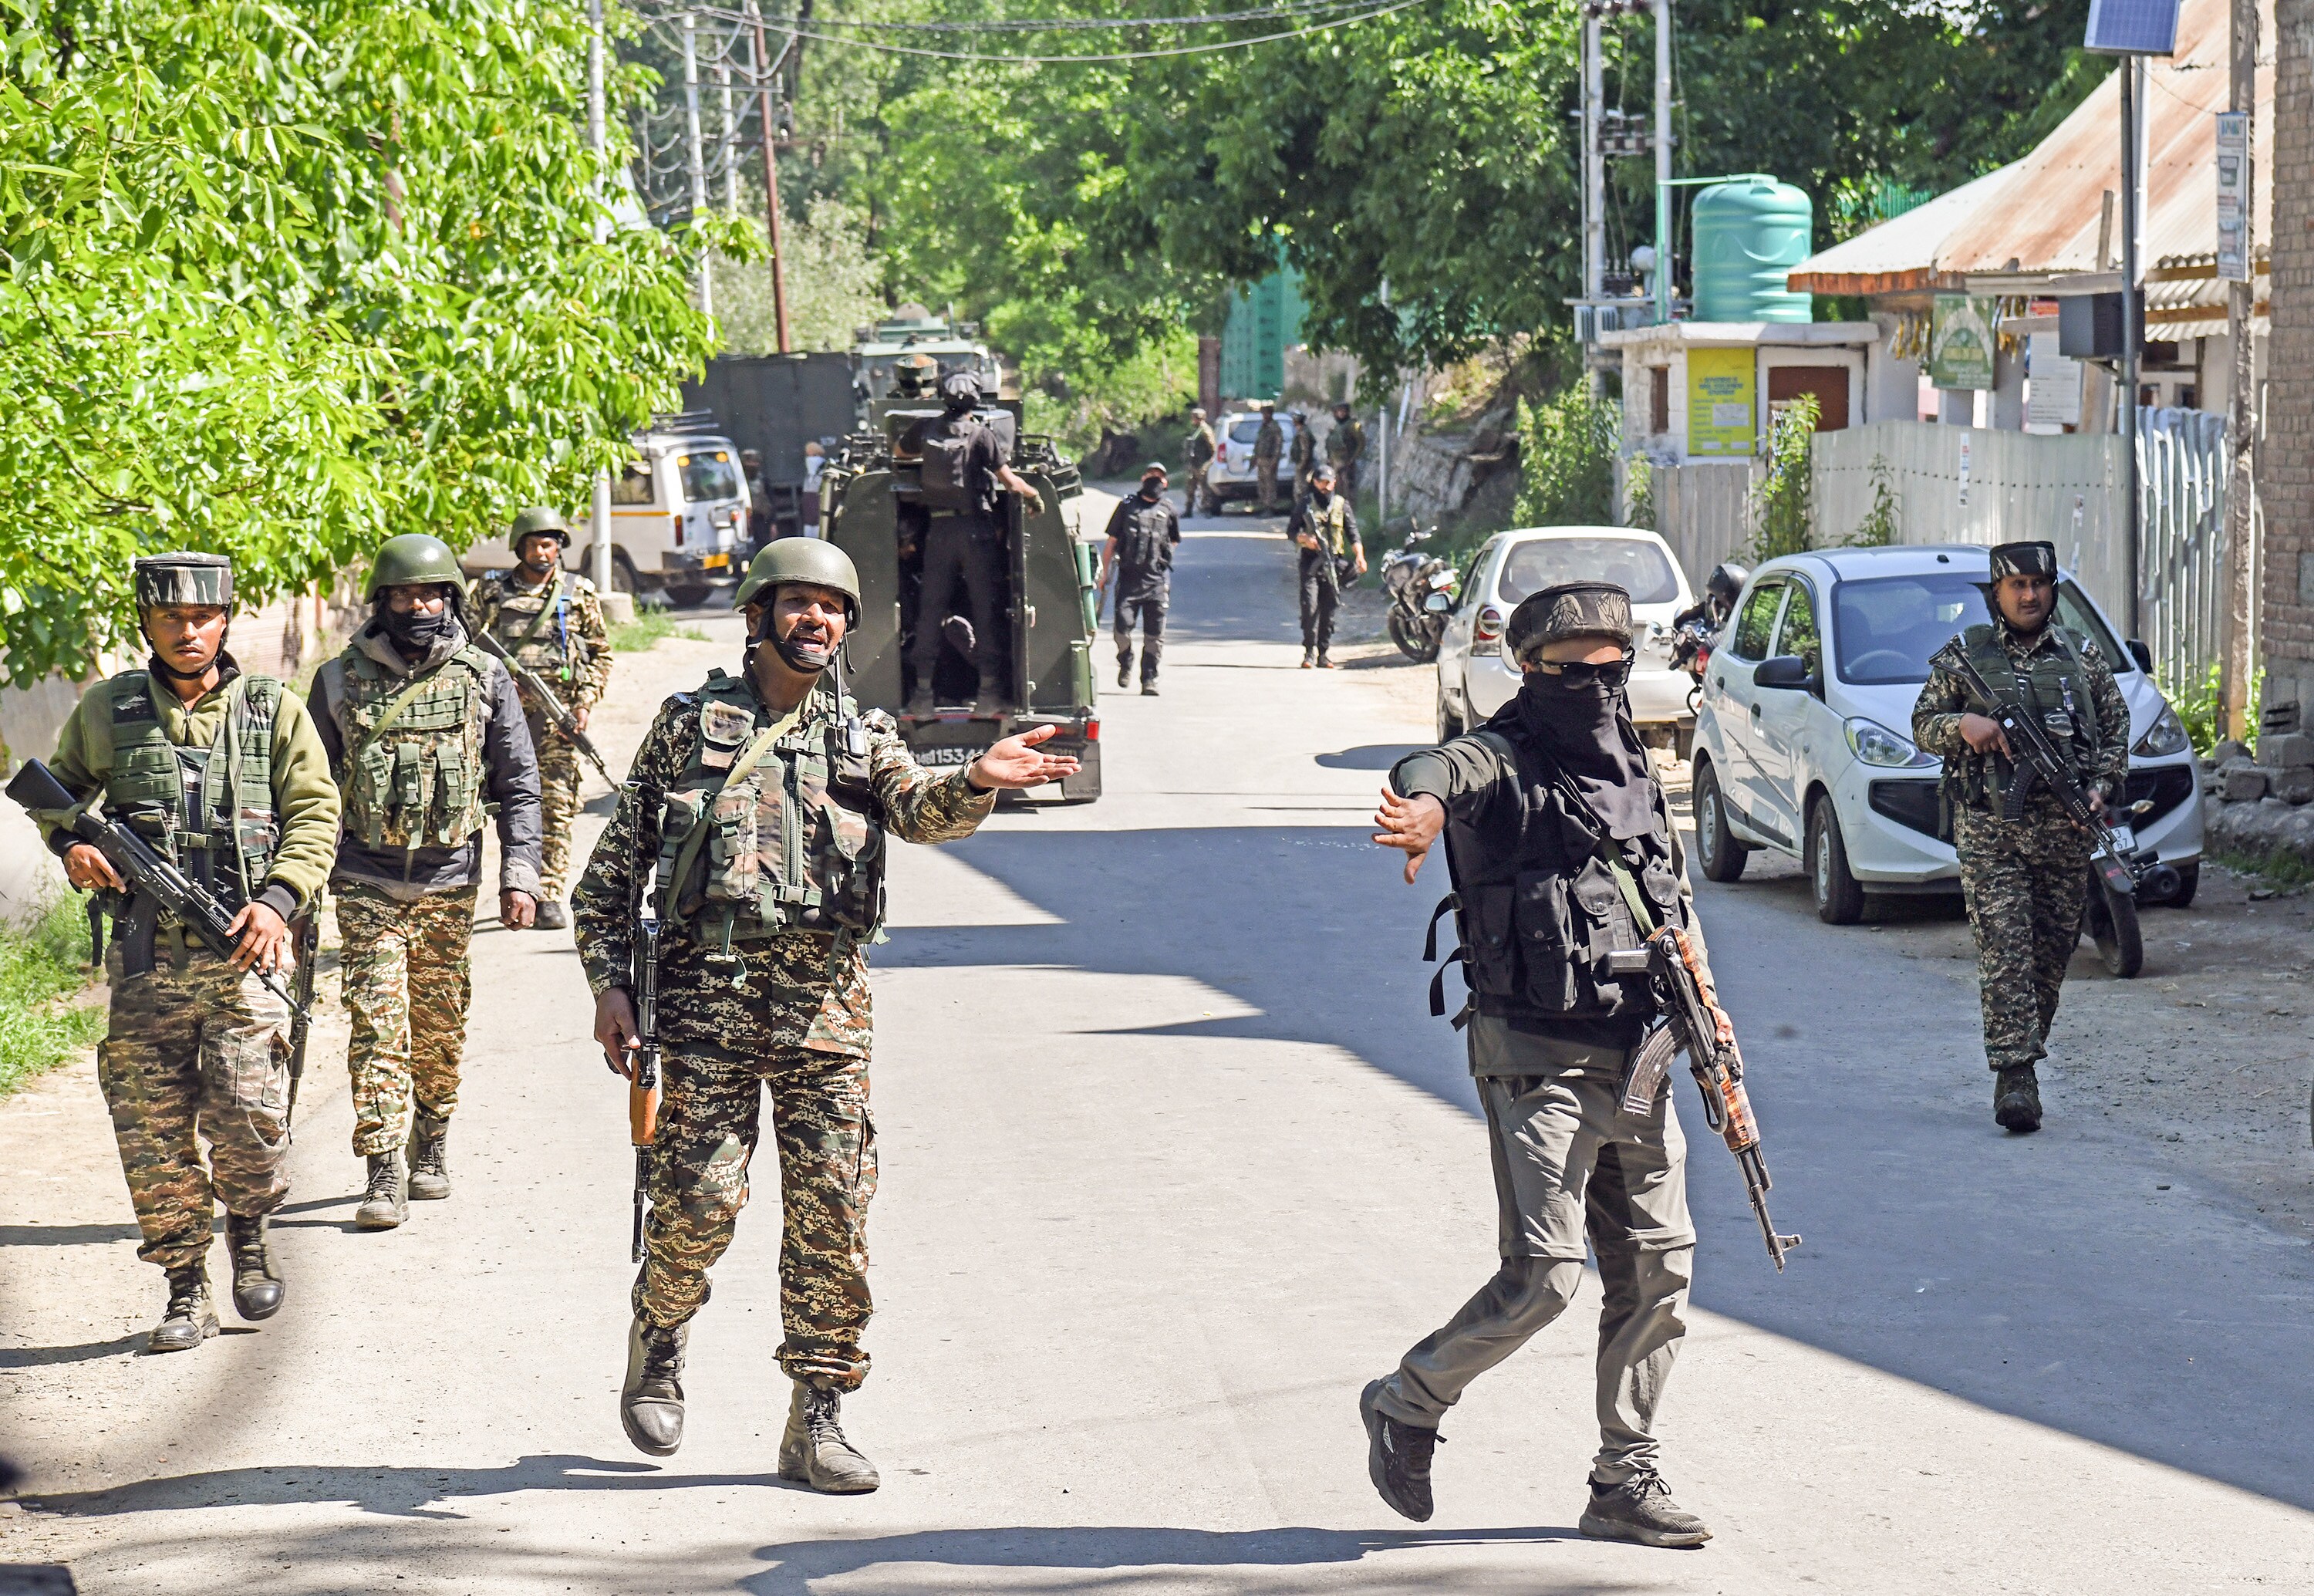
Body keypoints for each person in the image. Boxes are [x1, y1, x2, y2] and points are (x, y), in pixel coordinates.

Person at [573, 538, 1080, 1490]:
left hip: (826, 1022)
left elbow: (919, 809)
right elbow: (609, 881)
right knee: (697, 1207)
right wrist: (610, 985)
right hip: (705, 1017)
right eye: (798, 602)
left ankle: (818, 1415)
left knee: (832, 1220)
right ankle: (661, 1333)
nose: (817, 619)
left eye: (833, 607)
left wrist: (977, 780)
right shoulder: (688, 729)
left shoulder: (863, 735)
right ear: (758, 615)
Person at [1360, 580, 1718, 1550]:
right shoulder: (1502, 757)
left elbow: (1672, 902)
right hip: (1537, 1057)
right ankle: (1408, 1398)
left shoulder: (1634, 764)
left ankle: (1623, 1477)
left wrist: (1708, 1013)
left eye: (1614, 666)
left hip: (1641, 1055)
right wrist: (1423, 805)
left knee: (1658, 1267)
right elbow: (1440, 765)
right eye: (1572, 670)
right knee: (1546, 1275)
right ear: (1528, 668)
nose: (1596, 684)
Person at [32, 555, 342, 1351]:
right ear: (146, 621)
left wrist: (279, 901)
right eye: (171, 617)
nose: (188, 631)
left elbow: (316, 813)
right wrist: (72, 846)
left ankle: (249, 1230)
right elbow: (55, 792)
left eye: (203, 616)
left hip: (244, 953)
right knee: (150, 1129)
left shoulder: (272, 708)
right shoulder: (109, 708)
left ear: (226, 619)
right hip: (146, 964)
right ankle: (185, 1284)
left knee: (250, 1117)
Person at [309, 534, 544, 1228]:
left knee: (439, 1026)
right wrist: (294, 886)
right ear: (381, 602)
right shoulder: (336, 680)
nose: (418, 607)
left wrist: (521, 875)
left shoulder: (485, 677)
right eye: (405, 595)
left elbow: (519, 783)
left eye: (432, 595)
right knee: (377, 1023)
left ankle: (432, 1139)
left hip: (450, 880)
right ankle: (383, 1168)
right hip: (365, 878)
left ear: (452, 600)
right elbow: (307, 790)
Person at [1911, 539, 2128, 1132]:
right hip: (1991, 831)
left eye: (2039, 584)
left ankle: (2024, 1055)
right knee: (2006, 950)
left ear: (2052, 589)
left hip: (2064, 836)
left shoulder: (2082, 655)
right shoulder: (1968, 654)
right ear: (1998, 592)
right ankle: (2016, 1078)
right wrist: (1964, 724)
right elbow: (1922, 724)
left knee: (2049, 959)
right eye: (2017, 585)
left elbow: (2115, 730)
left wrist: (2101, 787)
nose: (2029, 595)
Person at [471, 508, 612, 930]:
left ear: (559, 547)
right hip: (497, 722)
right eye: (533, 544)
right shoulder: (491, 591)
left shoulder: (578, 593)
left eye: (548, 544)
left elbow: (600, 654)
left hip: (557, 722)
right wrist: (499, 686)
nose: (541, 552)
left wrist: (584, 704)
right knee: (482, 804)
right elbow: (466, 648)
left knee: (556, 806)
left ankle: (547, 893)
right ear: (519, 548)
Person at [898, 371, 1045, 715]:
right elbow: (1010, 482)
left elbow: (899, 452)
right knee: (985, 610)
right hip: (976, 532)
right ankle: (988, 693)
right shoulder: (982, 435)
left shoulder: (925, 429)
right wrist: (1034, 497)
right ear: (975, 401)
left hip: (939, 532)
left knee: (930, 611)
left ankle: (923, 695)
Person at [1097, 464, 1182, 696]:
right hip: (1128, 581)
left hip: (1156, 582)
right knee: (1121, 631)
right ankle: (1126, 660)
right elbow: (1112, 542)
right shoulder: (1127, 506)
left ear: (1165, 483)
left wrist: (1163, 555)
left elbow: (1174, 539)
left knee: (1155, 636)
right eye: (1151, 476)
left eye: (1159, 477)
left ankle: (1149, 679)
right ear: (1143, 478)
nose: (1155, 480)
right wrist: (1104, 573)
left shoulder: (1168, 509)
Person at [1287, 463, 1364, 668]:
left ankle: (1323, 653)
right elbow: (1291, 531)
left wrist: (1360, 556)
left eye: (1328, 482)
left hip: (1334, 563)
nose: (1325, 486)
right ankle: (1309, 653)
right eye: (1321, 482)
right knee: (1309, 607)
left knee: (1329, 609)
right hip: (1310, 563)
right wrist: (1305, 539)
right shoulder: (1305, 504)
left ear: (1334, 483)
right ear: (1314, 482)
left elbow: (1353, 533)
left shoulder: (1341, 505)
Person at [1327, 401, 1367, 502]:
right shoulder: (1337, 426)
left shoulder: (1352, 425)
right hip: (1335, 463)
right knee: (1337, 491)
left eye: (1343, 411)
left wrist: (1353, 458)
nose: (1341, 413)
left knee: (1348, 491)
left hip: (1347, 463)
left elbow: (1361, 443)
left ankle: (1350, 509)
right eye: (1338, 411)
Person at [1182, 407, 1217, 517]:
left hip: (1202, 463)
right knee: (1190, 487)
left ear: (1199, 418)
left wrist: (1209, 462)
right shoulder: (1196, 430)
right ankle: (1188, 510)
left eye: (1194, 417)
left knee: (1204, 488)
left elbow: (1212, 447)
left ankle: (1207, 509)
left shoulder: (1205, 430)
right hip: (1194, 463)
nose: (1192, 419)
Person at [1253, 403, 1284, 515]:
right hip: (1261, 459)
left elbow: (1278, 445)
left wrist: (1275, 461)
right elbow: (1258, 443)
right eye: (1263, 414)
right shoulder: (1263, 426)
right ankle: (1263, 506)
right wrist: (1255, 457)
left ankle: (1269, 508)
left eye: (1266, 413)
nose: (1264, 416)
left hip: (1269, 460)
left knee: (1270, 485)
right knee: (1262, 484)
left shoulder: (1275, 427)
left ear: (1270, 414)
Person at [740, 449, 772, 547]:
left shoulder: (763, 480)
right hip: (743, 520)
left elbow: (771, 502)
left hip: (760, 519)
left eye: (754, 462)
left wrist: (773, 523)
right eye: (749, 462)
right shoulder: (739, 481)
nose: (751, 465)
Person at [1289, 408, 1317, 507]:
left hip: (1304, 467)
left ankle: (1302, 510)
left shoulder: (1303, 433)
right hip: (1304, 465)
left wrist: (1301, 465)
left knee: (1301, 491)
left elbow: (1305, 451)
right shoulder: (1302, 431)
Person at [801, 440, 829, 535]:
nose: (810, 459)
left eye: (813, 456)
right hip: (809, 515)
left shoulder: (823, 471)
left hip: (818, 514)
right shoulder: (808, 475)